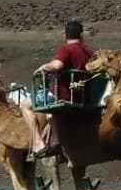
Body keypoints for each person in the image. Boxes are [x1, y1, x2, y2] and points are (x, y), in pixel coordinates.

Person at [25, 20, 96, 159]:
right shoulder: (89, 51)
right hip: (81, 95)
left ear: (65, 35)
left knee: (25, 104)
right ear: (81, 34)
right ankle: (56, 139)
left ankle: (38, 143)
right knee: (51, 111)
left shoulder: (67, 49)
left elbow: (57, 66)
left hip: (62, 95)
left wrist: (43, 67)